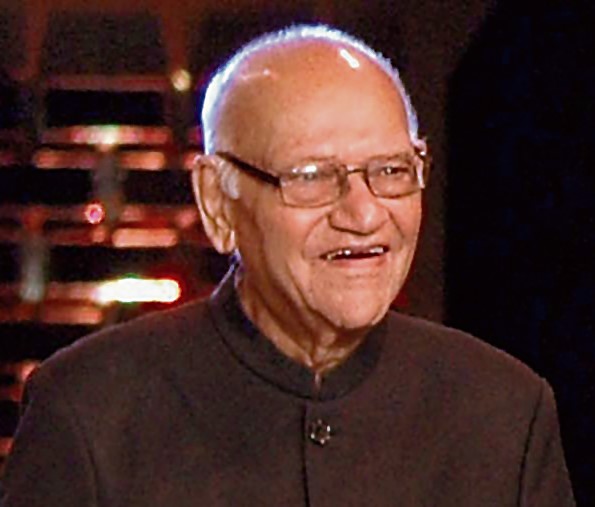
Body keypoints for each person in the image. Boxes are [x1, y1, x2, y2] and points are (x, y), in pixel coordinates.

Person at [0, 25, 574, 506]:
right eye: (312, 177)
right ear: (218, 203)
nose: (364, 214)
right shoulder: (88, 413)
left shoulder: (505, 414)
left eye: (392, 171)